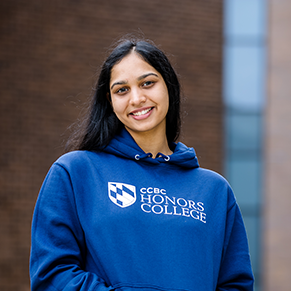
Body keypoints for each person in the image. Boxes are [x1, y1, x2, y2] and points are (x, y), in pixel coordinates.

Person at [30, 36, 254, 291]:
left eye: (147, 83)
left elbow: (235, 284)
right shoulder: (75, 173)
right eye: (122, 90)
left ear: (168, 86)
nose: (136, 99)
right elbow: (53, 275)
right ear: (110, 100)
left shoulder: (214, 190)